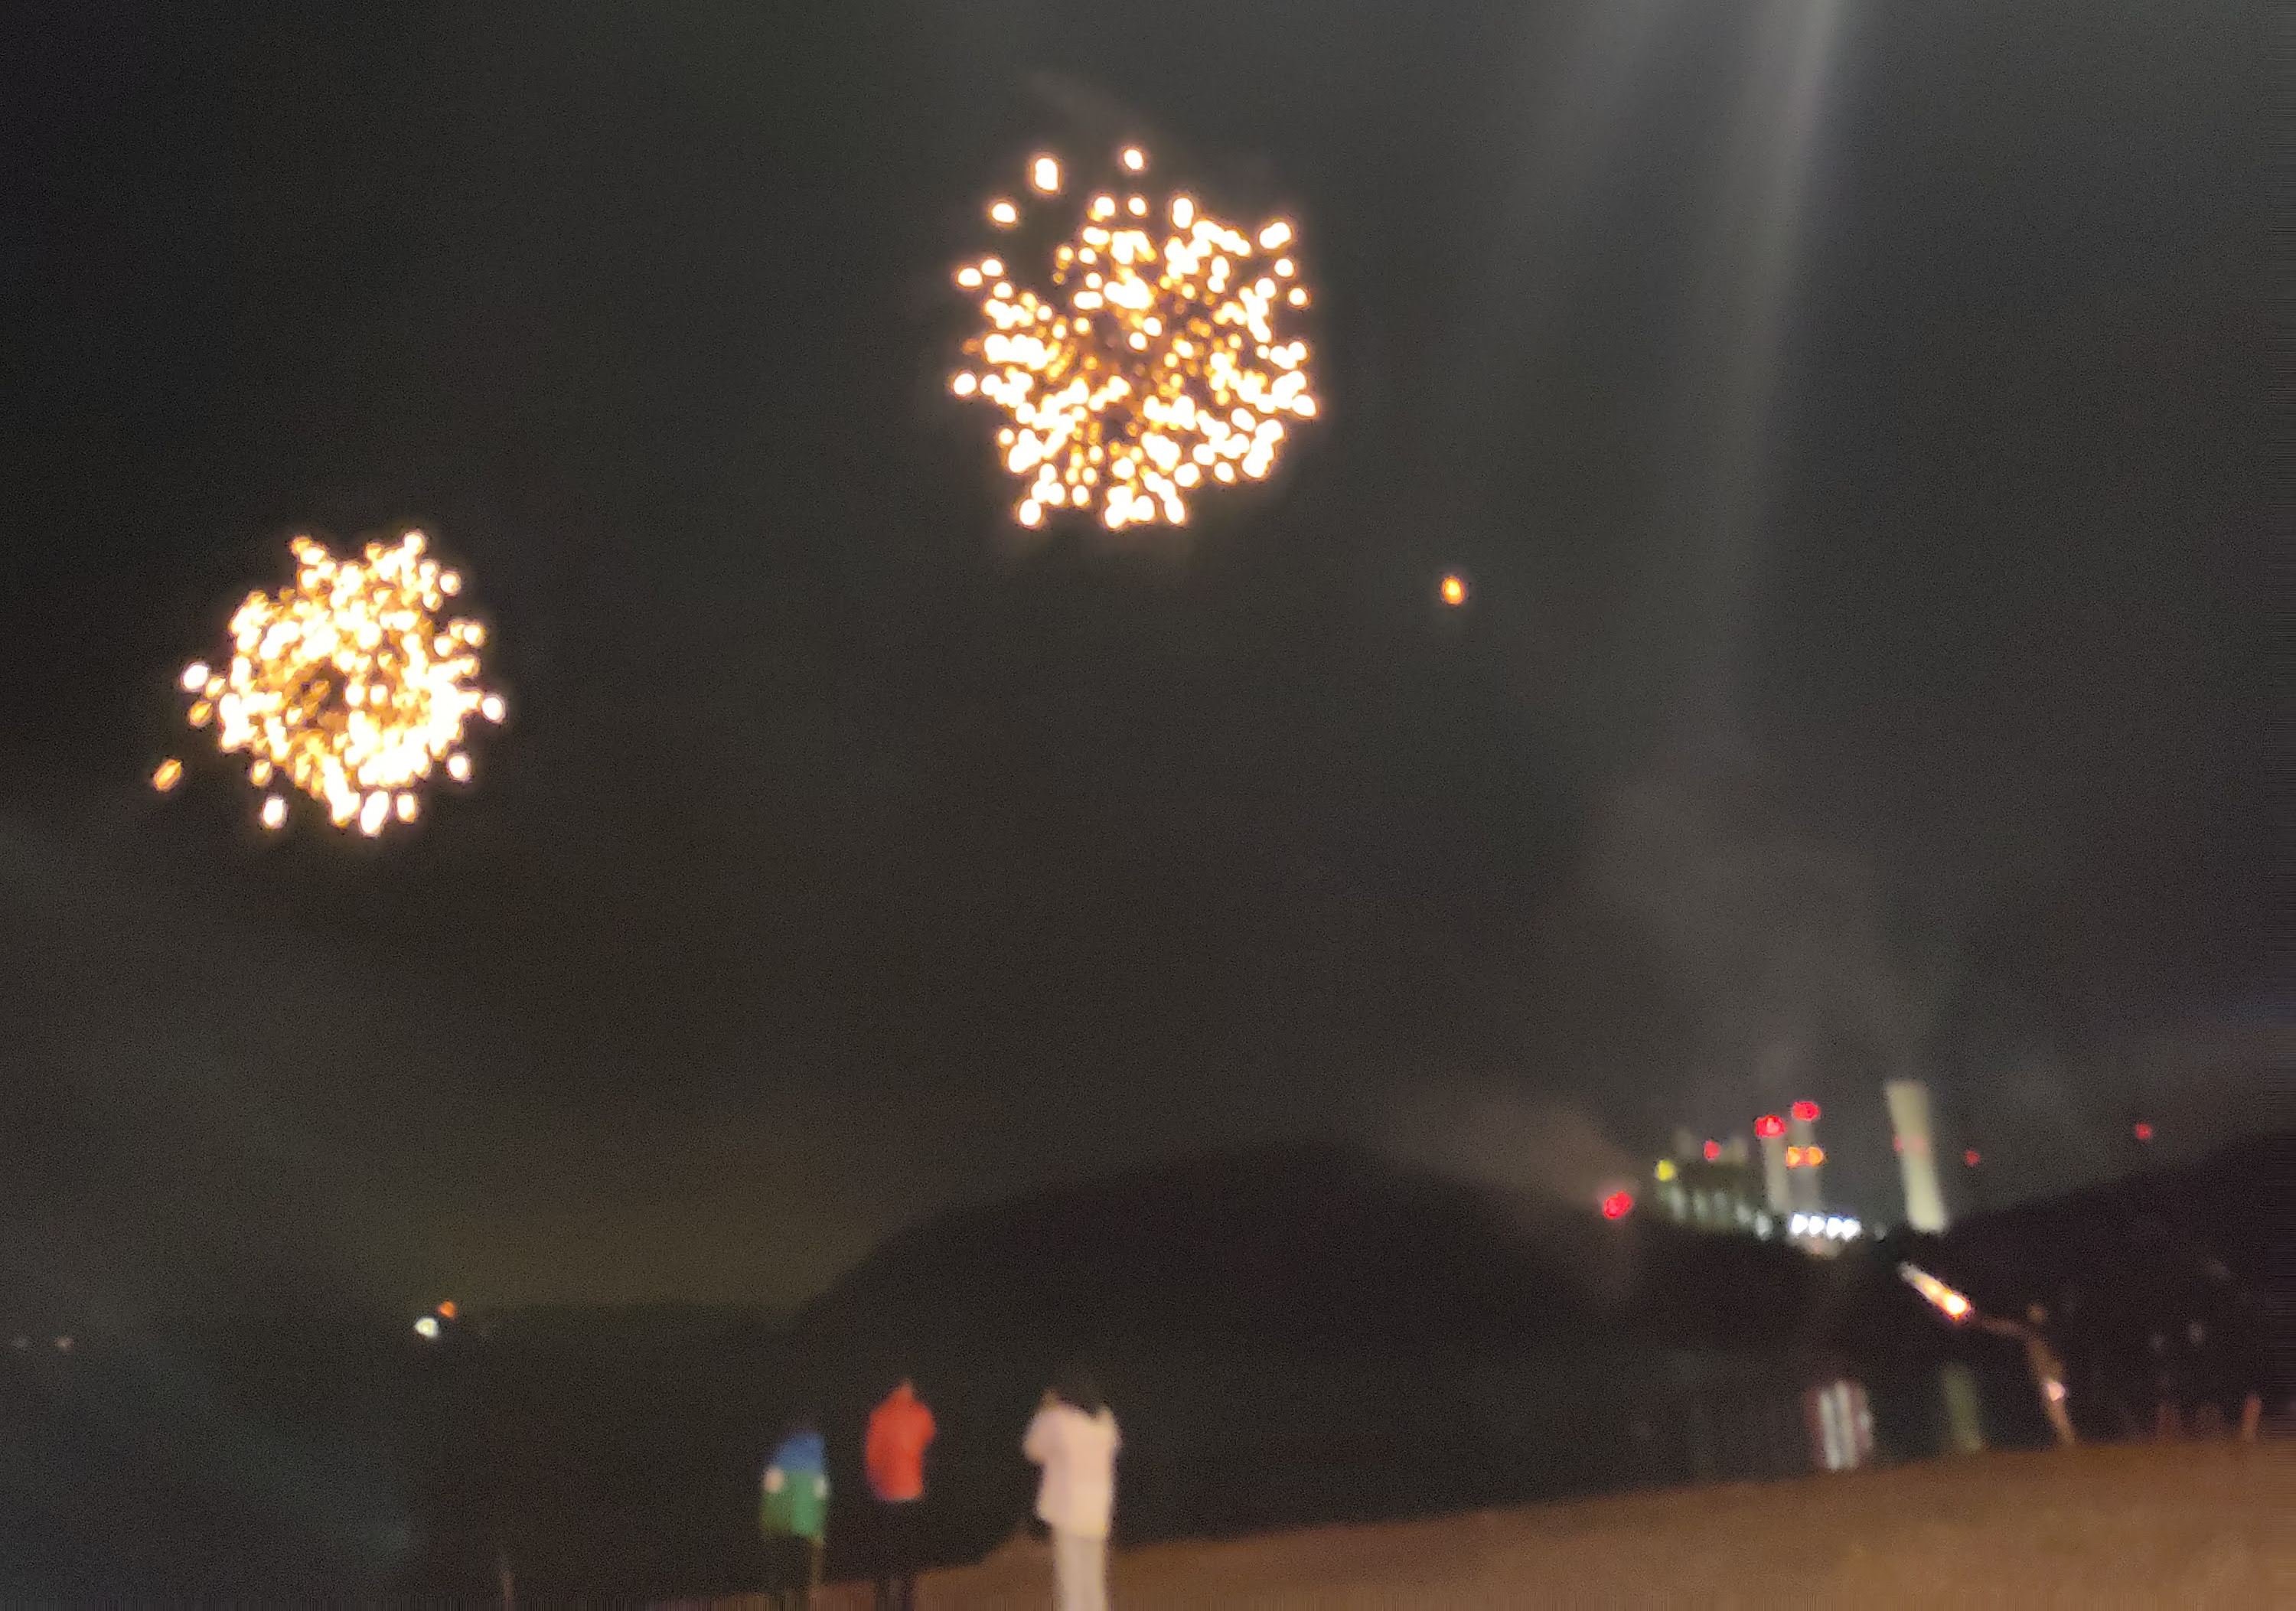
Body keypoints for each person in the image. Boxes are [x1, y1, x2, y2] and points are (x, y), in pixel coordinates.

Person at [1024, 1371, 1120, 1611]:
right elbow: (1114, 1447)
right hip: (1098, 1505)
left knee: (1071, 1582)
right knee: (1093, 1580)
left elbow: (1033, 1449)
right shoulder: (1105, 1419)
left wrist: (1044, 1411)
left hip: (1069, 1508)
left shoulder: (1058, 1419)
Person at [866, 1379, 938, 1611]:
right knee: (909, 1548)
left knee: (885, 1547)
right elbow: (929, 1436)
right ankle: (907, 1600)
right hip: (911, 1489)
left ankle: (883, 1599)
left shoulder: (879, 1414)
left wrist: (874, 1483)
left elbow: (872, 1456)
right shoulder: (920, 1412)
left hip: (885, 1491)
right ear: (907, 1388)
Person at [760, 1418, 830, 1609]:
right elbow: (820, 1502)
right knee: (803, 1583)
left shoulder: (777, 1463)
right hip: (806, 1531)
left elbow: (769, 1500)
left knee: (779, 1579)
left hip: (780, 1529)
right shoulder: (817, 1466)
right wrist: (819, 1535)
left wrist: (766, 1528)